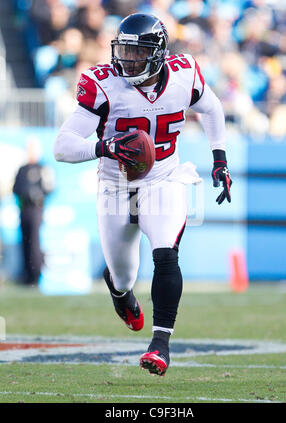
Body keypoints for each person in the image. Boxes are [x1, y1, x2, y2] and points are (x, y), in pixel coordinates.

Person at [54, 13, 232, 376]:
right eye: (123, 50)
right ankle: (121, 295)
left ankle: (160, 345)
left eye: (136, 52)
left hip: (163, 178)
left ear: (157, 52)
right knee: (123, 276)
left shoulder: (184, 73)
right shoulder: (103, 84)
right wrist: (103, 148)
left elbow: (212, 108)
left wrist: (220, 158)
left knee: (166, 254)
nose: (127, 59)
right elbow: (63, 146)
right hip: (115, 187)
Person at [13, 139, 55, 286]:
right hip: (23, 210)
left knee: (34, 242)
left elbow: (49, 188)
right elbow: (16, 188)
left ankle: (36, 275)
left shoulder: (43, 168)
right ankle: (26, 275)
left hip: (36, 210)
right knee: (24, 241)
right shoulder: (22, 169)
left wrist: (37, 195)